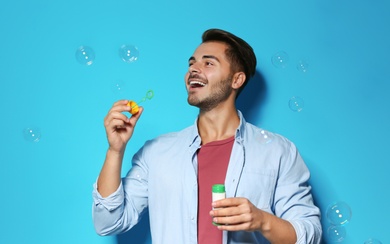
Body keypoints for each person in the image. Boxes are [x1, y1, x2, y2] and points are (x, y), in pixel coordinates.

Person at [92, 28, 322, 244]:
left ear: (236, 80)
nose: (193, 69)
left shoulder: (278, 151)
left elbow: (309, 232)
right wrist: (115, 150)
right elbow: (108, 222)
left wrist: (262, 221)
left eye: (208, 63)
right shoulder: (156, 152)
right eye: (191, 63)